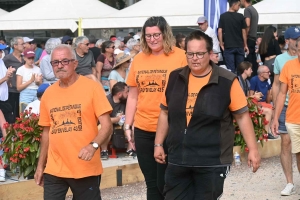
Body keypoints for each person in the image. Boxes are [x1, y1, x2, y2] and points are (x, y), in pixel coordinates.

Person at [154, 30, 260, 200]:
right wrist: (158, 144)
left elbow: (242, 116)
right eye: (190, 54)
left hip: (211, 160)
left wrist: (253, 150)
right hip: (178, 158)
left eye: (200, 53)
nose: (195, 58)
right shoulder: (174, 77)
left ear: (210, 54)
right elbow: (165, 113)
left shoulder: (227, 80)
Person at [34, 44, 113, 200]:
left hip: (85, 166)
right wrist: (40, 165)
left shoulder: (92, 88)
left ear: (75, 63)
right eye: (55, 62)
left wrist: (93, 146)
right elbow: (46, 132)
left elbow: (107, 125)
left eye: (65, 61)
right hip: (55, 168)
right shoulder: (48, 94)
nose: (60, 66)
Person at [125, 16, 187, 200]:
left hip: (170, 127)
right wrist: (128, 125)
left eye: (156, 35)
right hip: (144, 128)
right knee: (151, 183)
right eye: (148, 35)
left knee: (166, 182)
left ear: (165, 34)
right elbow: (133, 95)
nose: (152, 39)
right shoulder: (139, 59)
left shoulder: (180, 57)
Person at [271, 27, 300, 196]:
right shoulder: (281, 61)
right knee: (286, 144)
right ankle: (290, 182)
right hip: (286, 107)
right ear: (288, 41)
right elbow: (277, 86)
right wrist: (275, 110)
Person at [238, 62, 274, 139]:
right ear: (245, 70)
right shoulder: (238, 81)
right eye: (250, 69)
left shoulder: (247, 82)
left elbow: (248, 96)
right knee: (269, 111)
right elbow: (241, 98)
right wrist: (254, 96)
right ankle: (264, 134)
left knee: (272, 109)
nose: (252, 71)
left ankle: (265, 133)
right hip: (243, 107)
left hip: (249, 104)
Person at [100, 82, 135, 159]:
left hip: (122, 124)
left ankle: (130, 149)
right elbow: (103, 120)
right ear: (119, 94)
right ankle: (104, 151)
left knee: (134, 125)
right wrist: (118, 119)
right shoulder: (107, 101)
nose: (128, 94)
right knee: (107, 126)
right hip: (109, 124)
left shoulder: (126, 101)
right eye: (126, 92)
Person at [218, 0, 248, 74]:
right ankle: (240, 84)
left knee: (230, 70)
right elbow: (244, 31)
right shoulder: (240, 16)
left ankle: (232, 84)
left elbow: (219, 31)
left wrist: (221, 43)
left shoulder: (223, 16)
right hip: (239, 45)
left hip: (228, 46)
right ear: (234, 5)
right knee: (240, 69)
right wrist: (245, 44)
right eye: (238, 5)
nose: (239, 7)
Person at [3, 37, 25, 119]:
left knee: (22, 113)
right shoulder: (7, 59)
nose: (24, 46)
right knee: (13, 114)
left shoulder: (24, 58)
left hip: (24, 89)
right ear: (15, 46)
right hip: (12, 90)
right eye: (22, 44)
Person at [240, 0, 259, 77]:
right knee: (253, 60)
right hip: (253, 37)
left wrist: (245, 37)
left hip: (249, 37)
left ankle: (250, 79)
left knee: (248, 61)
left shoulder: (247, 10)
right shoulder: (254, 10)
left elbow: (247, 24)